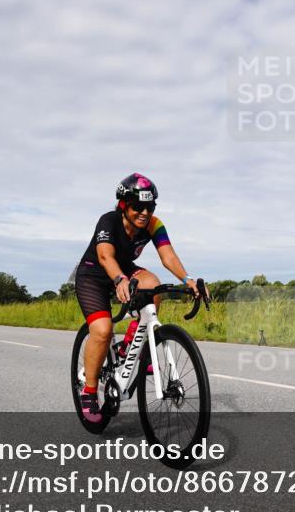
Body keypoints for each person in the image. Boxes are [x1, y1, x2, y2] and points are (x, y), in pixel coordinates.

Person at [74, 173, 203, 423]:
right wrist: (119, 279)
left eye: (150, 206)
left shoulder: (154, 225)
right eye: (138, 207)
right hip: (94, 273)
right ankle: (89, 392)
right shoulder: (109, 220)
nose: (144, 212)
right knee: (101, 331)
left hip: (124, 269)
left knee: (153, 285)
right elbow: (104, 256)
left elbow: (168, 257)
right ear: (124, 205)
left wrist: (187, 279)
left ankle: (134, 342)